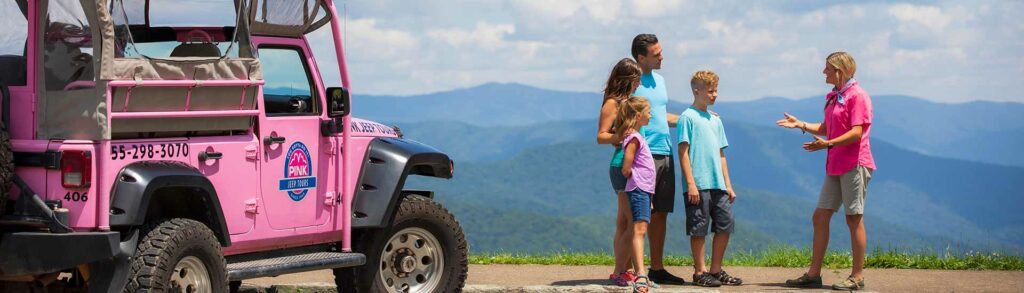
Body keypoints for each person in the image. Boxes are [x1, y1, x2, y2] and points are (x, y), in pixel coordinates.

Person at [778, 51, 875, 291]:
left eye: (828, 69)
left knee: (853, 218)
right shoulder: (834, 96)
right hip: (836, 165)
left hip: (855, 163)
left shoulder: (857, 96)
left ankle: (857, 276)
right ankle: (813, 274)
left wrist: (828, 144)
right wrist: (800, 124)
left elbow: (856, 132)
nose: (824, 72)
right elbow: (826, 128)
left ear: (840, 71)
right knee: (820, 217)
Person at [677, 70, 742, 287]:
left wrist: (728, 185)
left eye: (716, 91)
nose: (714, 95)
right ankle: (699, 271)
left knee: (725, 225)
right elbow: (683, 152)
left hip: (718, 184)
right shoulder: (687, 117)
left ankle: (715, 269)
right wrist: (691, 184)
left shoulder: (715, 120)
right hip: (698, 184)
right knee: (699, 227)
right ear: (697, 91)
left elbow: (721, 154)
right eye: (710, 91)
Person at [630, 33, 686, 285]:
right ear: (641, 58)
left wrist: (694, 118)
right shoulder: (630, 82)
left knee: (661, 211)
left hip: (665, 150)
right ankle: (635, 269)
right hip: (643, 154)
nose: (662, 56)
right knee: (643, 213)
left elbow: (661, 116)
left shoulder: (660, 81)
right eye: (656, 53)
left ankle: (657, 267)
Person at [596, 58, 644, 286]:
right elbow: (601, 136)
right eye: (636, 80)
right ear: (628, 80)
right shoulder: (612, 104)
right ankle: (621, 270)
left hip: (630, 165)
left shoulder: (627, 102)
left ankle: (626, 269)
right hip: (622, 167)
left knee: (624, 222)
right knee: (632, 221)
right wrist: (621, 137)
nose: (639, 84)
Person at [617, 96, 657, 292]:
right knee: (639, 231)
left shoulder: (637, 136)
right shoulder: (633, 137)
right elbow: (627, 166)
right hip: (639, 189)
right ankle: (641, 273)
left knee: (639, 230)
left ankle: (640, 272)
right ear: (638, 115)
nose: (651, 115)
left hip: (644, 190)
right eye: (648, 112)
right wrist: (636, 178)